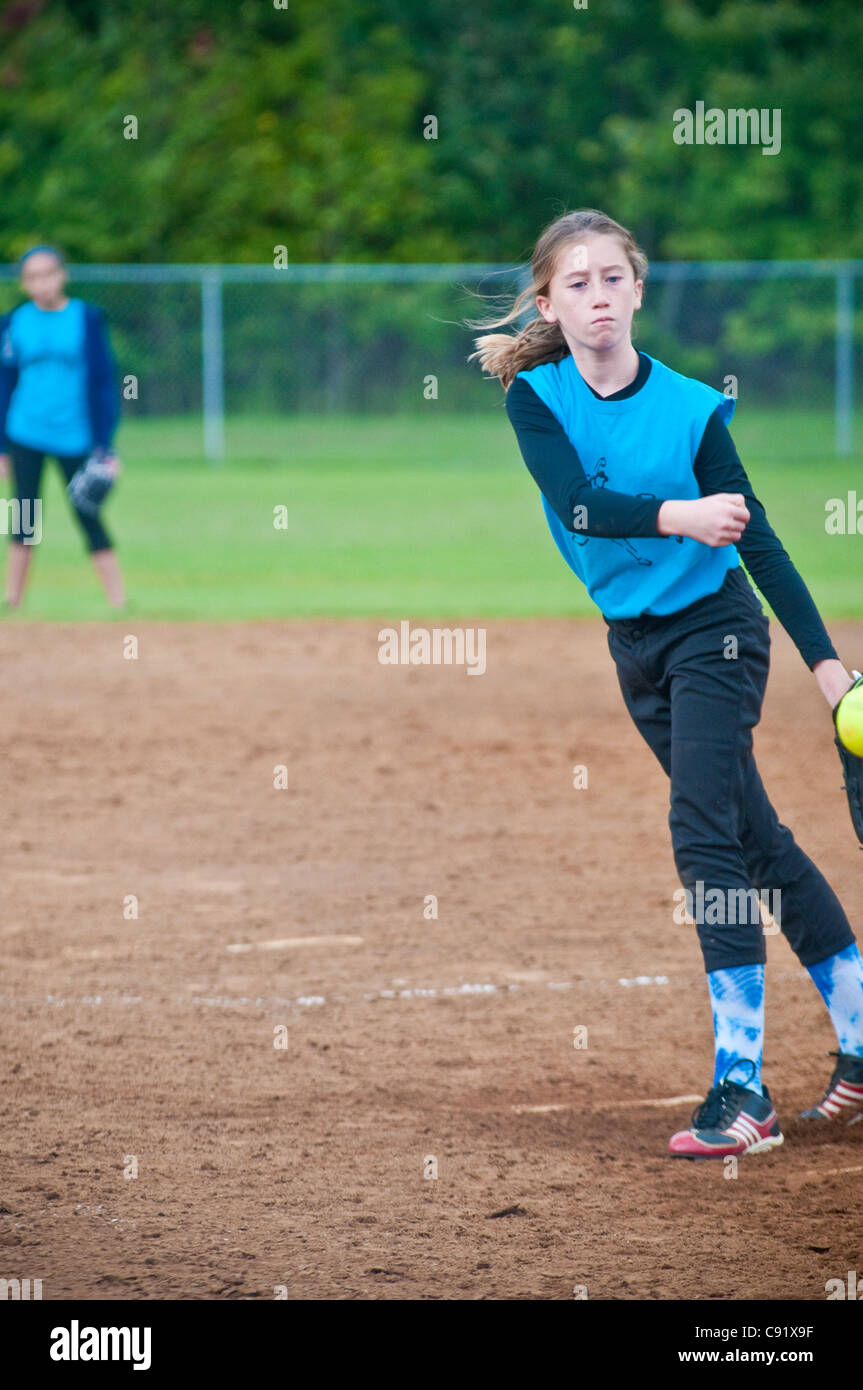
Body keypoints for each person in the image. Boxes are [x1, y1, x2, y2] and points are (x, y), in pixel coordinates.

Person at [469, 208, 863, 1160]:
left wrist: (830, 674)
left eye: (613, 278)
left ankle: (742, 1089)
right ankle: (860, 1041)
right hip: (634, 648)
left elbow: (755, 536)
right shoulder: (537, 396)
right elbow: (578, 506)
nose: (597, 296)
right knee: (755, 839)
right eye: (576, 283)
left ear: (638, 290)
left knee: (701, 832)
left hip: (716, 636)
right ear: (549, 304)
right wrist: (682, 514)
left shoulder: (691, 408)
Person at [0, 244, 125, 609]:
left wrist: (106, 446)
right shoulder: (14, 323)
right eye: (33, 277)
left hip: (76, 435)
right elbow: (4, 386)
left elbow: (104, 384)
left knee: (88, 511)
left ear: (62, 275)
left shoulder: (85, 318)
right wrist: (1, 447)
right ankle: (13, 601)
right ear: (24, 283)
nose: (42, 284)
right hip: (25, 431)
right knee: (24, 515)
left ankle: (118, 602)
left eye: (48, 274)